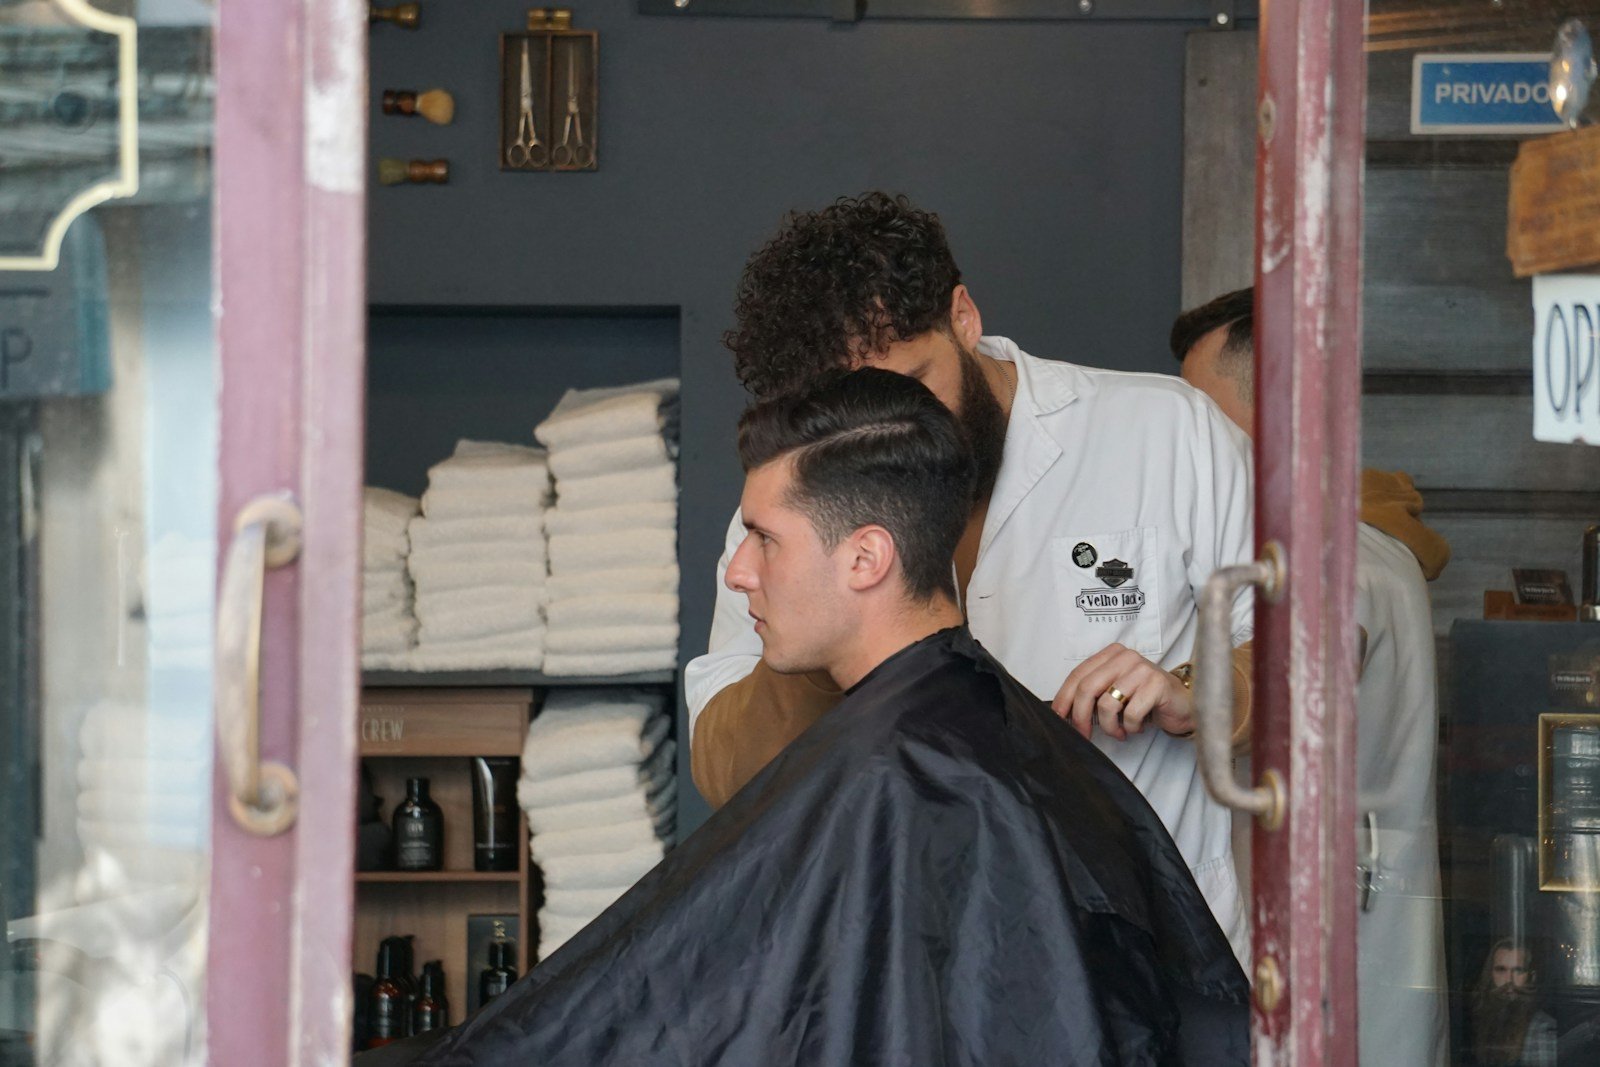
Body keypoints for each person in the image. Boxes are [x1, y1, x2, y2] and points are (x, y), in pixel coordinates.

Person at [361, 370, 1249, 1066]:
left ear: (865, 556)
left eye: (764, 536)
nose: (740, 570)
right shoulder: (974, 741)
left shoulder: (912, 778)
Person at [687, 192, 1258, 962]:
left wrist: (1203, 687)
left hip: (1152, 966)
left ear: (963, 317)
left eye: (915, 386)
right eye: (861, 419)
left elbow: (1311, 654)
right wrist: (825, 628)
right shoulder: (790, 511)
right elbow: (726, 761)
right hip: (911, 969)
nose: (905, 437)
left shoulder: (1166, 434)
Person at [1171, 287, 1451, 1067]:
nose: (1188, 439)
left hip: (1337, 968)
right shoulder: (1357, 548)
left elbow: (1307, 670)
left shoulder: (1338, 560)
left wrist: (1183, 686)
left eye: (1202, 412)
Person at [1471, 940, 1557, 1067]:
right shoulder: (1482, 1019)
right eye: (1501, 970)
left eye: (1518, 971)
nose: (1508, 980)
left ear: (1530, 976)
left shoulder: (1541, 1029)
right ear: (1490, 974)